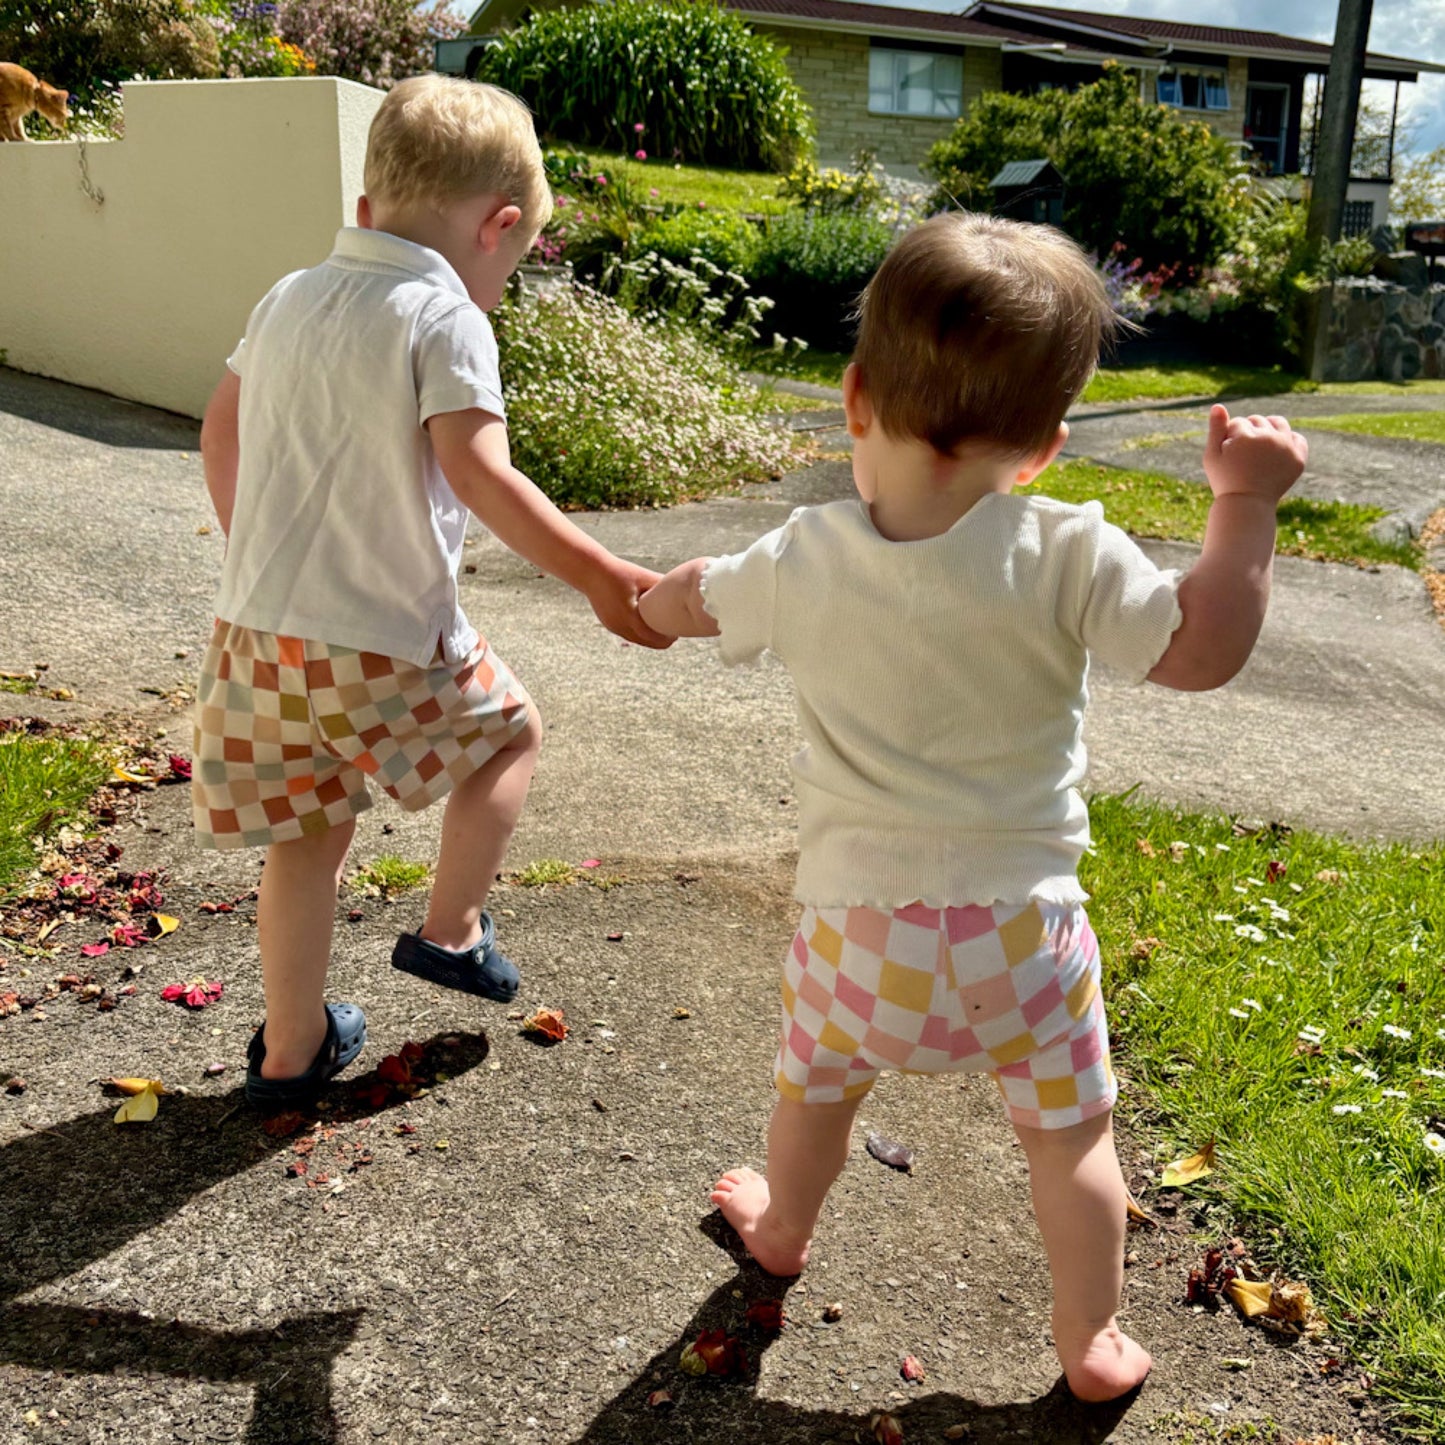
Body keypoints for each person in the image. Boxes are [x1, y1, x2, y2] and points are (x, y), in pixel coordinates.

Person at [637, 211, 1308, 1403]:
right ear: (1045, 447)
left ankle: (783, 1223)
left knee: (812, 1091)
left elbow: (690, 598)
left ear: (851, 397)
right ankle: (1090, 1340)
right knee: (1071, 1144)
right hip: (1020, 940)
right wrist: (1241, 503)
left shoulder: (798, 556)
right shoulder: (1066, 549)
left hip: (860, 937)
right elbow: (1200, 649)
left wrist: (645, 598)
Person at [194, 74, 670, 1111]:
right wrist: (601, 575)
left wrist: (263, 552)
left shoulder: (286, 296)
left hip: (255, 639)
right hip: (380, 639)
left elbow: (219, 432)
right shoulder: (440, 314)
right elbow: (479, 473)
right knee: (510, 735)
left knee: (306, 841)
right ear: (498, 227)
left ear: (367, 210)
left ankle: (289, 1051)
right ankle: (453, 930)